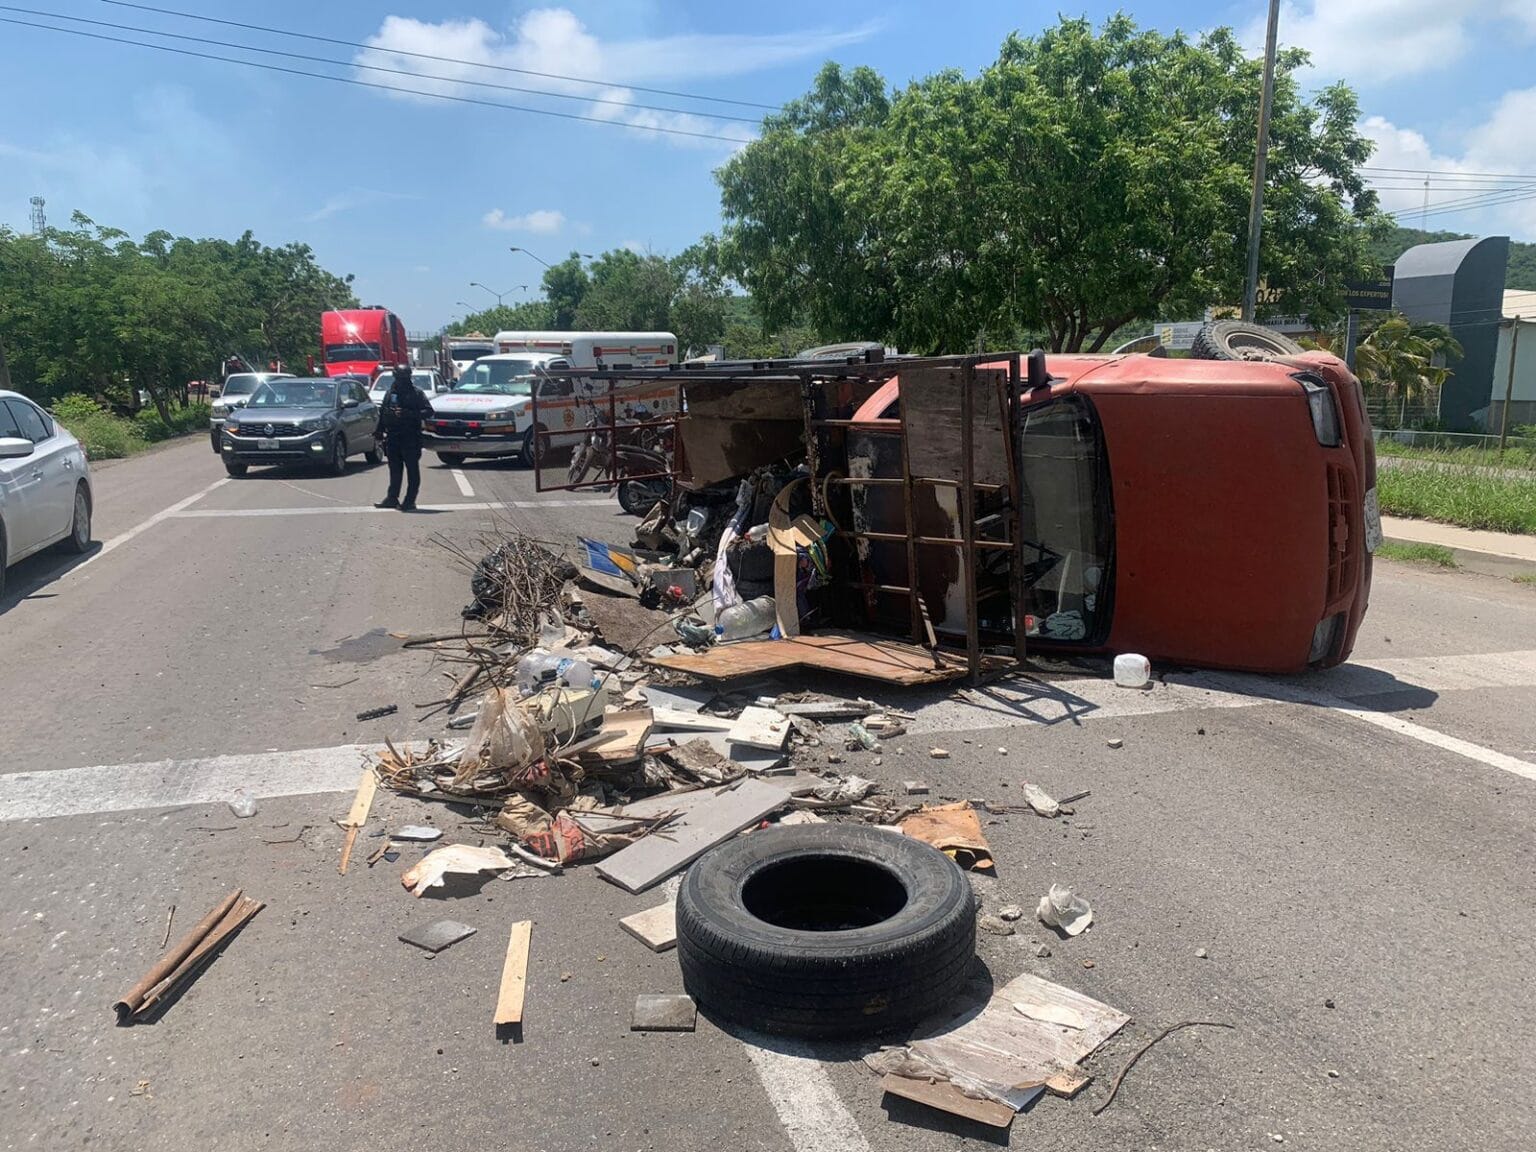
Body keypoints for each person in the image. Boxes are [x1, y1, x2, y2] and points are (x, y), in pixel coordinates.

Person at [375, 364, 431, 511]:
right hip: (393, 437)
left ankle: (410, 500)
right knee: (394, 469)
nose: (401, 381)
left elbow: (429, 411)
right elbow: (383, 412)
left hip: (410, 437)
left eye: (404, 378)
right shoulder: (390, 393)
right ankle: (392, 498)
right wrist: (379, 430)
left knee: (412, 470)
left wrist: (409, 414)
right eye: (399, 378)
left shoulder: (416, 393)